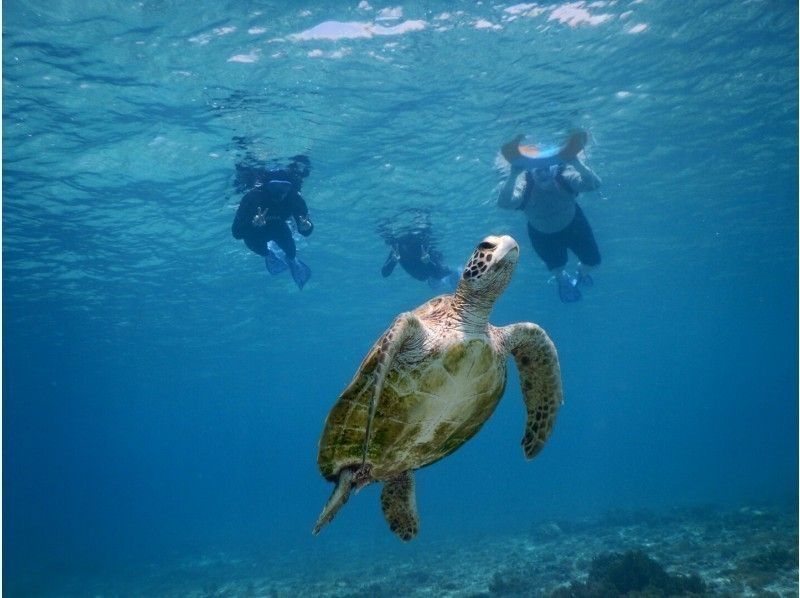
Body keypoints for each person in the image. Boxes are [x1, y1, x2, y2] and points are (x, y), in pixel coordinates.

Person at [497, 136, 601, 303]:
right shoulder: (525, 186)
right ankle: (562, 280)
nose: (543, 173)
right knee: (557, 267)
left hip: (574, 225)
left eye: (546, 169)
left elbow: (595, 184)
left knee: (593, 261)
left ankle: (581, 273)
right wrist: (513, 175)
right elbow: (503, 203)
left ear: (552, 169)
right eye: (538, 171)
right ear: (531, 172)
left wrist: (576, 163)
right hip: (542, 234)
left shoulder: (564, 177)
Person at [231, 157, 314, 289]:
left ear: (290, 187)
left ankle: (291, 260)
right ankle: (269, 254)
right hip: (255, 233)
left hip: (278, 227)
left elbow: (306, 230)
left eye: (285, 186)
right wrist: (253, 224)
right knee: (257, 245)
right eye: (275, 186)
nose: (280, 192)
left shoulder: (294, 198)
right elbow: (236, 233)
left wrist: (306, 227)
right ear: (267, 186)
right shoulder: (253, 197)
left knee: (290, 250)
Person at [380, 227, 460, 292]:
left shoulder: (420, 242)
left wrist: (428, 262)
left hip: (431, 268)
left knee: (439, 275)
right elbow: (385, 273)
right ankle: (446, 277)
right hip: (423, 273)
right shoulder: (397, 248)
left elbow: (438, 273)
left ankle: (452, 274)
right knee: (427, 278)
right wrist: (393, 261)